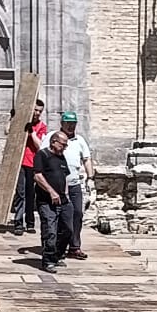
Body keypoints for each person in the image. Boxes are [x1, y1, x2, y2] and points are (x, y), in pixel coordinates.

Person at [32, 129, 73, 273]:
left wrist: (66, 193)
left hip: (63, 200)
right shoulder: (42, 155)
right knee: (50, 230)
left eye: (66, 145)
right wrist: (51, 191)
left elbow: (64, 176)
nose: (65, 147)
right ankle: (48, 260)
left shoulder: (61, 157)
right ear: (54, 142)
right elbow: (38, 176)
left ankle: (57, 255)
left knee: (68, 230)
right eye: (63, 144)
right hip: (46, 201)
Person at [60, 110, 94, 259]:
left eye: (73, 124)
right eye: (68, 123)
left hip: (75, 183)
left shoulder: (79, 140)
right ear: (62, 123)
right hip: (58, 185)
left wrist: (90, 178)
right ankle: (58, 247)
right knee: (61, 216)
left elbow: (86, 159)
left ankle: (74, 247)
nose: (71, 126)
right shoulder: (54, 137)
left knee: (78, 213)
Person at [9, 99, 47, 233]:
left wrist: (32, 133)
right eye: (35, 110)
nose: (37, 113)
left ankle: (30, 222)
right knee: (21, 193)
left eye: (40, 111)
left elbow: (40, 145)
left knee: (31, 193)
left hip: (33, 163)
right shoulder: (21, 122)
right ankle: (18, 223)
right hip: (20, 162)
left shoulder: (42, 126)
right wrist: (12, 120)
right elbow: (7, 132)